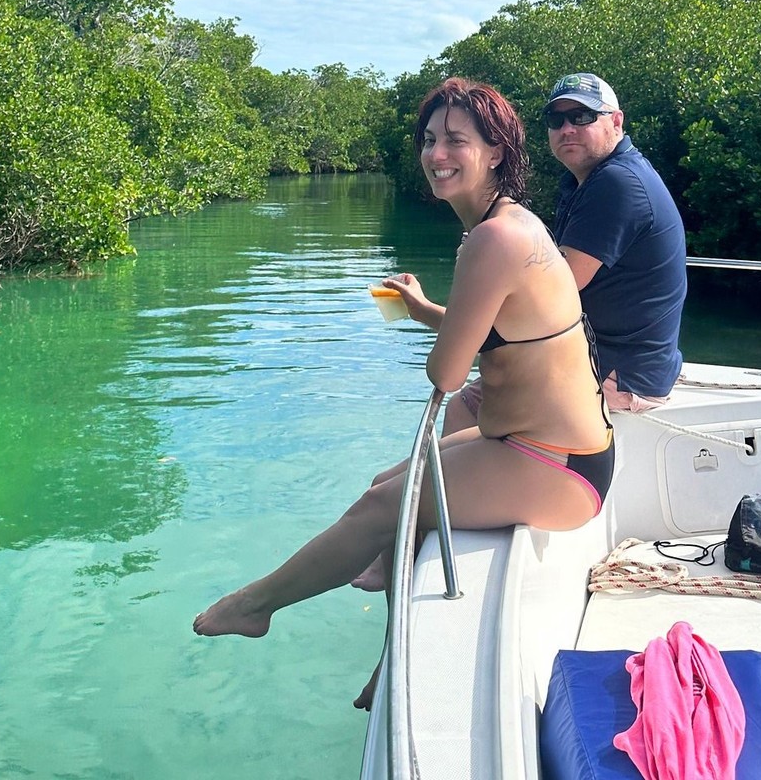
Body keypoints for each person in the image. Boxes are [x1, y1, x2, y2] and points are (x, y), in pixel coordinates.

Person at [194, 78, 613, 707]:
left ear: (495, 151)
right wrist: (420, 311)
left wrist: (439, 346)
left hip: (557, 466)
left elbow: (445, 376)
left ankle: (255, 605)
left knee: (382, 511)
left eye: (456, 140)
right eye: (429, 139)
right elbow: (496, 324)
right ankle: (388, 662)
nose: (436, 152)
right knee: (383, 487)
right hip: (542, 448)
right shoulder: (506, 224)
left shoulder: (494, 239)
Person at [446, 73, 686, 434]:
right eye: (555, 120)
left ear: (616, 121)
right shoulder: (588, 179)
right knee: (471, 400)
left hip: (619, 374)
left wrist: (480, 265)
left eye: (582, 117)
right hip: (604, 357)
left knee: (469, 406)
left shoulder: (616, 183)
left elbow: (553, 288)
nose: (567, 128)